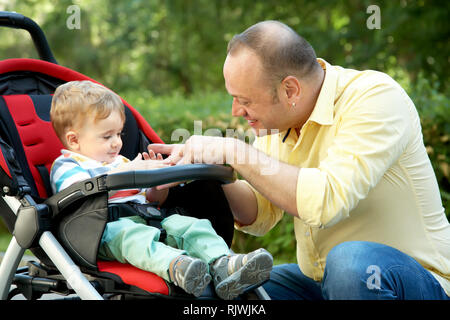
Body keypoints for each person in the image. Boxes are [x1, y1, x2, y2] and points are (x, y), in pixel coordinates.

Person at [149, 20, 450, 299]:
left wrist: (235, 150)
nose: (235, 112)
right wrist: (206, 170)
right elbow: (259, 210)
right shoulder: (278, 122)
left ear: (290, 89)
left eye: (245, 100)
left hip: (409, 281)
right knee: (221, 292)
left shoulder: (374, 98)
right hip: (320, 283)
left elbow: (325, 199)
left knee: (349, 264)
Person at [49, 80, 273, 300]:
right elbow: (80, 197)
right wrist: (130, 175)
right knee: (134, 238)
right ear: (74, 140)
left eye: (119, 134)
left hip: (148, 219)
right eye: (107, 136)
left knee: (192, 225)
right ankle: (178, 267)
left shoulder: (120, 161)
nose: (117, 143)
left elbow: (151, 200)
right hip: (103, 232)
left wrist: (157, 185)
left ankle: (223, 264)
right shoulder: (68, 165)